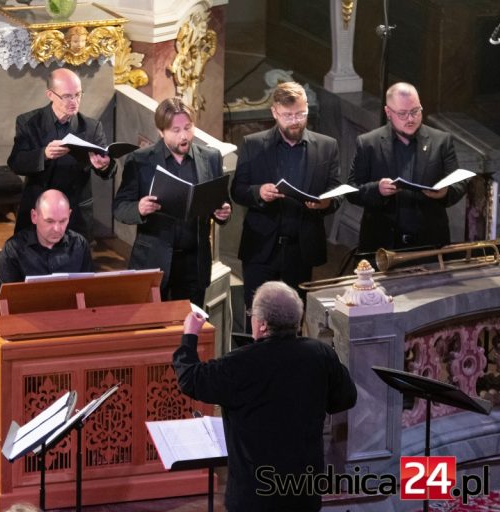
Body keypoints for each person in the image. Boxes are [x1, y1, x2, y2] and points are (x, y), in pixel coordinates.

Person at [173, 281, 357, 511]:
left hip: (255, 496)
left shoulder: (239, 363)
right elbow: (346, 398)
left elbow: (190, 378)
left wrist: (189, 335)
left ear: (261, 324)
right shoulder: (320, 354)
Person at [230, 81, 340, 327]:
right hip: (261, 247)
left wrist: (324, 204)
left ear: (307, 109)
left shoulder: (326, 146)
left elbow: (337, 192)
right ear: (274, 112)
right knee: (257, 320)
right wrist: (259, 192)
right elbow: (237, 190)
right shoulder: (253, 144)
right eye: (288, 115)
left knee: (292, 323)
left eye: (300, 114)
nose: (295, 120)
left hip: (300, 249)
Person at [113, 97, 231, 307]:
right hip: (154, 261)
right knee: (154, 333)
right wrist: (139, 208)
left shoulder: (211, 157)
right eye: (176, 130)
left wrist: (222, 213)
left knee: (189, 331)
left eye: (188, 127)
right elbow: (120, 207)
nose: (184, 135)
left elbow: (220, 201)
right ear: (161, 131)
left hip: (194, 264)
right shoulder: (140, 160)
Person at [347, 82, 466, 254]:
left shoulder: (441, 141)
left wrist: (444, 193)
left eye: (415, 111)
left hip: (430, 245)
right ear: (388, 112)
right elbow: (351, 190)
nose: (410, 119)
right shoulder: (368, 143)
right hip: (382, 245)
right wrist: (377, 189)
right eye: (402, 114)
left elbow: (459, 184)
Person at [7, 67, 115, 240]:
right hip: (39, 207)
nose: (74, 101)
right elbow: (15, 162)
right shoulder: (29, 122)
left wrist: (104, 165)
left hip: (76, 211)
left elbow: (107, 169)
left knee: (77, 263)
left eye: (78, 94)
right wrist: (44, 154)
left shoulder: (91, 127)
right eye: (67, 96)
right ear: (50, 95)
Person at [0, 189, 93, 292]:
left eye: (63, 221)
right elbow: (5, 300)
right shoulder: (13, 249)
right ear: (34, 216)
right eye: (49, 221)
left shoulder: (79, 245)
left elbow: (89, 291)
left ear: (69, 215)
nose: (57, 229)